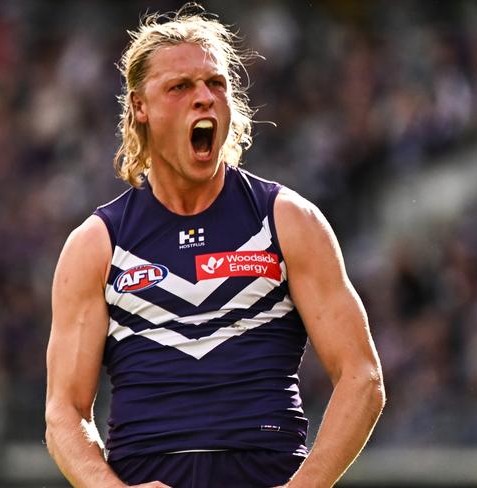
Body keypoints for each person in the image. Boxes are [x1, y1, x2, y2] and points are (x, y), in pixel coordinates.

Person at [45, 6, 385, 488]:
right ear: (140, 106)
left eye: (216, 84)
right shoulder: (96, 244)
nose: (203, 98)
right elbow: (64, 413)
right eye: (180, 87)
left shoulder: (288, 221)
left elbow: (362, 377)